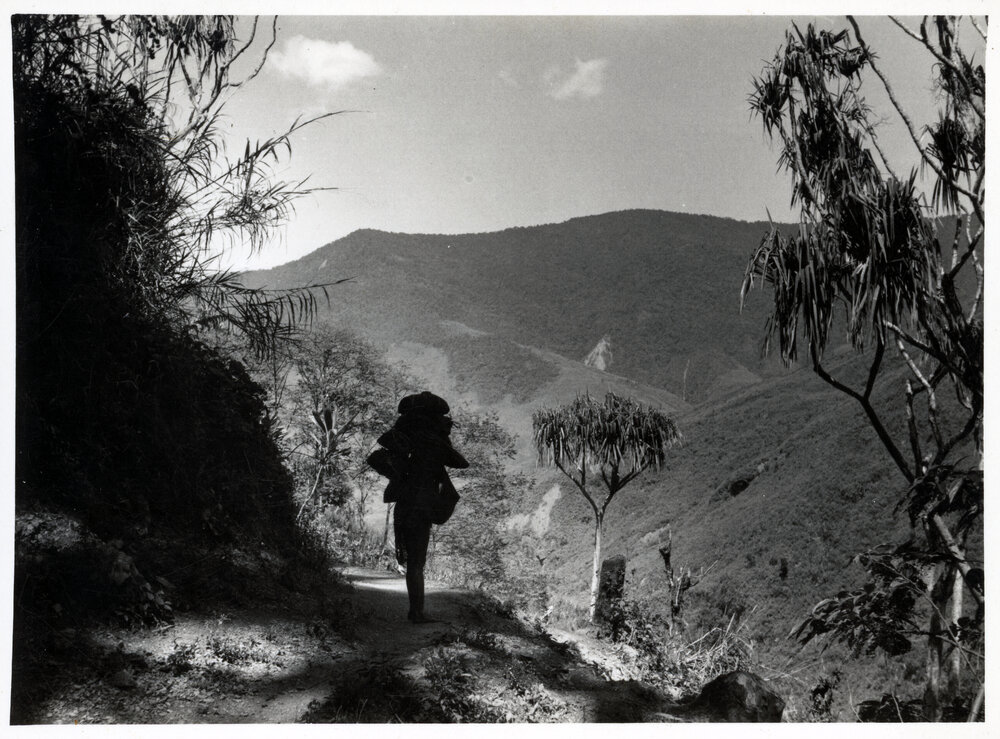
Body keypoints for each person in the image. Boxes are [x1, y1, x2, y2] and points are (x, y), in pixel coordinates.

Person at [371, 391, 468, 624]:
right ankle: (416, 613)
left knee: (413, 561)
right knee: (417, 562)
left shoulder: (403, 443)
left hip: (404, 504)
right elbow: (461, 463)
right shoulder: (435, 447)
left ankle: (416, 611)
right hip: (422, 507)